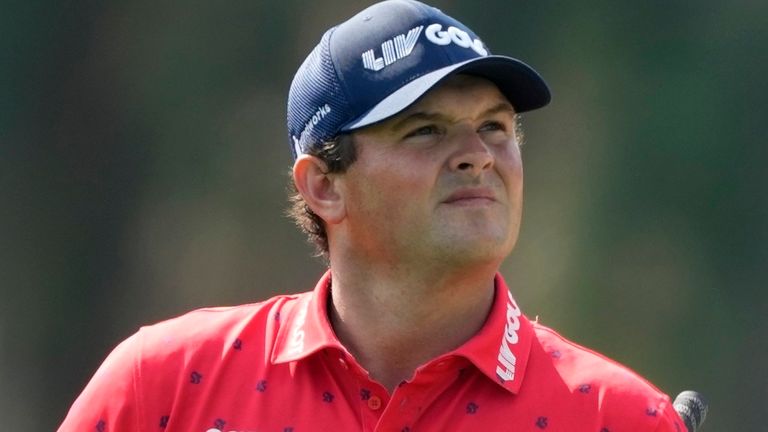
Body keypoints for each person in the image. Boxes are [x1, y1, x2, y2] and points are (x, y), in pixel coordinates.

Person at [59, 1, 687, 431]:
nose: (477, 156)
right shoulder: (166, 387)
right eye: (425, 132)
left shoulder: (620, 417)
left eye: (495, 127)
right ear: (324, 186)